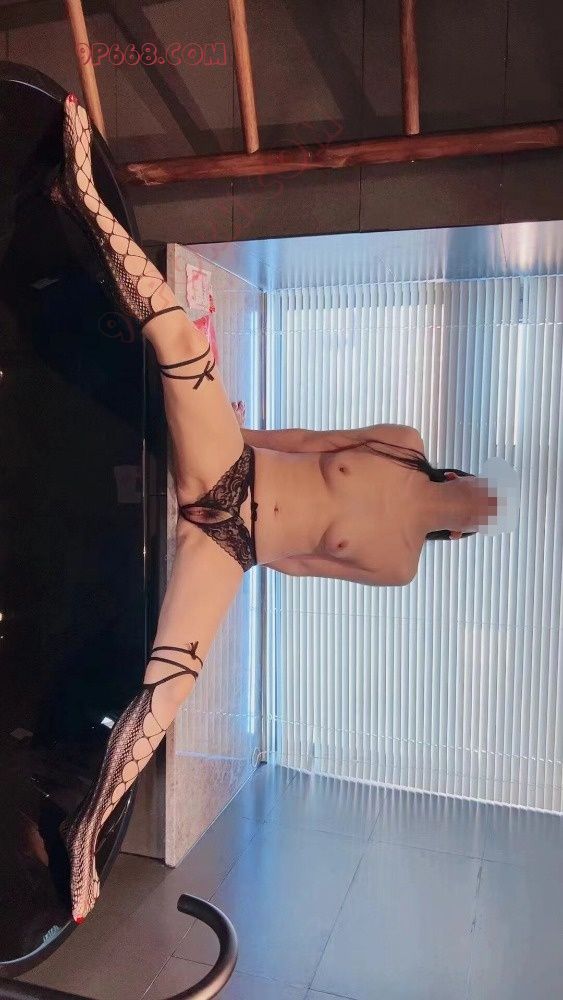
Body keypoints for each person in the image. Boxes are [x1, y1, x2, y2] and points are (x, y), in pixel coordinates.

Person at [47, 94, 500, 923]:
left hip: (237, 547)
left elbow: (296, 564)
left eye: (476, 515)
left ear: (463, 531)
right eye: (478, 494)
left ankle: (86, 838)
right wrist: (228, 424)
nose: (474, 507)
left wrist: (230, 549)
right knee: (180, 340)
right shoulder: (403, 441)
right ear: (466, 475)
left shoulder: (399, 567)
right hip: (233, 467)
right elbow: (306, 438)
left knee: (170, 688)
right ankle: (80, 193)